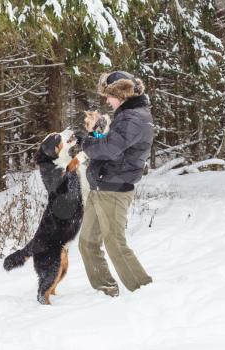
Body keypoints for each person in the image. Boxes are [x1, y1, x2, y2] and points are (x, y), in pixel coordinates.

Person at [77, 71, 153, 297]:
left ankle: (144, 290)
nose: (106, 101)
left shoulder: (133, 118)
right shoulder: (127, 115)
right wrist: (97, 132)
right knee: (88, 242)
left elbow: (108, 150)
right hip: (102, 185)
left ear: (120, 94)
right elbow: (111, 146)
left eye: (109, 96)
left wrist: (88, 139)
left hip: (114, 190)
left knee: (115, 244)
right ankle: (106, 289)